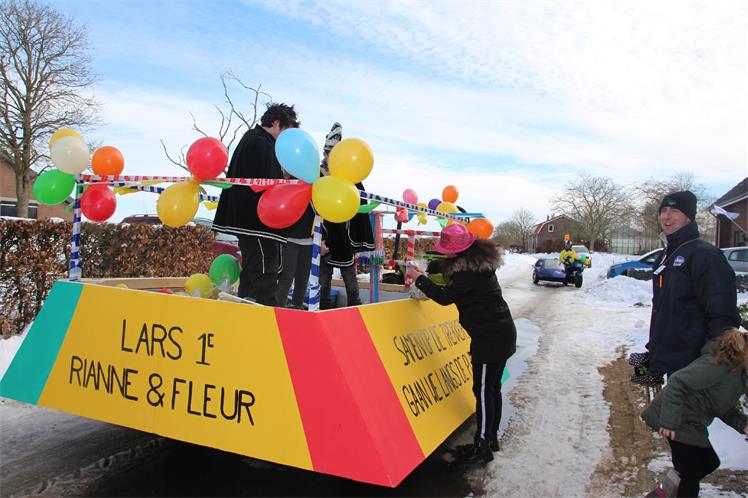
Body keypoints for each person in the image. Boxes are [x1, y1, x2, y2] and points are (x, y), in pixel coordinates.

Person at [408, 223, 517, 466]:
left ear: (455, 251)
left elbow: (444, 297)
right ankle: (489, 440)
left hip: (490, 339)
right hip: (501, 333)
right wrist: (430, 268)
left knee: (484, 392)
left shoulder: (467, 274)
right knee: (492, 390)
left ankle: (482, 447)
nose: (444, 254)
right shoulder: (478, 263)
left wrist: (419, 279)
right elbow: (449, 269)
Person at [642, 328, 748, 497]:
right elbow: (677, 382)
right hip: (676, 417)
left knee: (709, 462)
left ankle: (662, 493)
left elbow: (722, 408)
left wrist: (743, 423)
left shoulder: (738, 374)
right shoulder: (717, 365)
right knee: (690, 474)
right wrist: (670, 422)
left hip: (690, 421)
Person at [213, 103, 300, 305]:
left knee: (254, 267)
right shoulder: (262, 143)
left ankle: (248, 308)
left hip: (250, 218)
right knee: (264, 266)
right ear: (276, 123)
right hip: (255, 220)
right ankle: (263, 309)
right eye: (286, 131)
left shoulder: (254, 139)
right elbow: (269, 182)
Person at [647, 190, 740, 376]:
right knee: (666, 394)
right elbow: (666, 309)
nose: (667, 216)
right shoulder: (665, 255)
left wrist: (709, 360)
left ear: (688, 217)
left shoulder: (705, 255)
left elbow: (722, 313)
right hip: (669, 358)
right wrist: (654, 351)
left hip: (693, 363)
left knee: (681, 396)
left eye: (675, 211)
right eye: (663, 210)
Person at [318, 122, 374, 308]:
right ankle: (323, 306)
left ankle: (354, 306)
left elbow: (360, 201)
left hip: (342, 231)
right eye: (328, 152)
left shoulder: (349, 173)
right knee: (323, 274)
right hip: (323, 230)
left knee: (348, 272)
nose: (329, 156)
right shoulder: (317, 173)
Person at [275, 203, 315, 308]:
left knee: (303, 279)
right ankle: (279, 308)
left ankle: (297, 307)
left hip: (309, 241)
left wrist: (322, 239)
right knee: (286, 277)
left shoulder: (316, 197)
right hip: (290, 239)